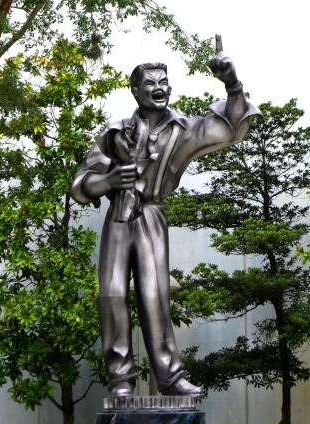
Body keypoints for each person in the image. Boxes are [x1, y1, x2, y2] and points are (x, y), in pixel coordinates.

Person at [70, 36, 261, 396]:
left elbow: (232, 127)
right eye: (150, 84)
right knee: (110, 296)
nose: (159, 89)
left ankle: (170, 379)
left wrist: (231, 83)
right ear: (134, 90)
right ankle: (121, 382)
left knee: (155, 296)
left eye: (163, 83)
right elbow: (81, 183)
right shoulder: (114, 134)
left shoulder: (184, 130)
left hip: (151, 218)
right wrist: (108, 180)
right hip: (117, 219)